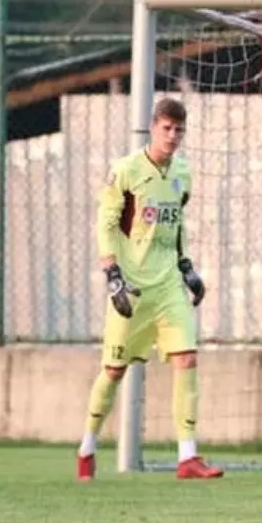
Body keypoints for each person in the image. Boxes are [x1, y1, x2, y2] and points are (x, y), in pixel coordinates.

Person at [77, 98, 222, 481]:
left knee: (187, 360)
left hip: (168, 286)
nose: (173, 137)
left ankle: (188, 456)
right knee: (112, 371)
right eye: (166, 129)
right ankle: (87, 446)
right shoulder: (125, 171)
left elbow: (176, 229)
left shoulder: (182, 175)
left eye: (179, 130)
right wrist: (112, 275)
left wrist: (187, 266)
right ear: (153, 128)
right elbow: (106, 224)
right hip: (133, 289)